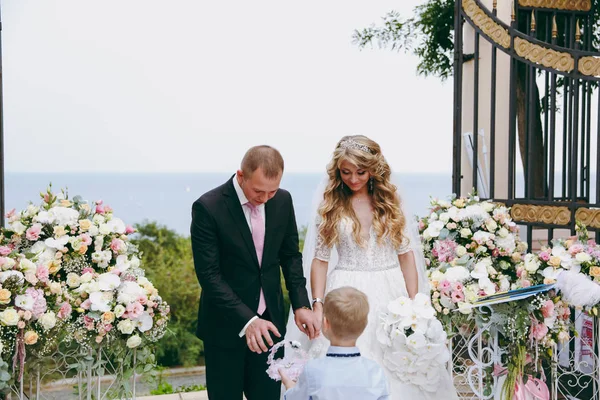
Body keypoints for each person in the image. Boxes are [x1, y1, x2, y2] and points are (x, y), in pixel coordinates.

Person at [285, 135, 458, 399]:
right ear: (337, 170)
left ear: (373, 169)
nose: (353, 179)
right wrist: (318, 304)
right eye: (346, 172)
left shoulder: (390, 201)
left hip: (391, 294)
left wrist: (415, 303)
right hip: (344, 289)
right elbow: (320, 260)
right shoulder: (331, 204)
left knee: (400, 363)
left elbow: (406, 256)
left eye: (360, 172)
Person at [191, 145, 317, 400]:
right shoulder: (208, 207)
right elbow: (209, 276)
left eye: (272, 190)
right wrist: (248, 321)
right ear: (241, 175)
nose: (265, 198)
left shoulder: (282, 200)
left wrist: (301, 303)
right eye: (259, 191)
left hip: (270, 325)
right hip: (224, 327)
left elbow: (290, 257)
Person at [280, 286, 389, 400]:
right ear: (364, 326)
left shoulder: (313, 370)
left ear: (325, 323)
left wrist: (290, 386)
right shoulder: (374, 371)